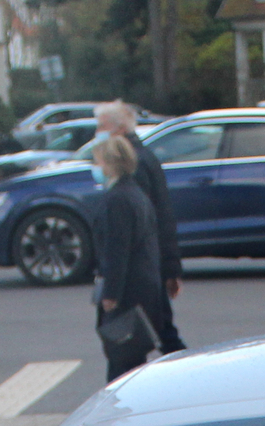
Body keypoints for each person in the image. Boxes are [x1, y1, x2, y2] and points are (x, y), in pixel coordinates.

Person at [95, 102, 184, 355]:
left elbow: (125, 238)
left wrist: (112, 290)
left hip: (137, 276)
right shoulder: (146, 157)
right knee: (161, 334)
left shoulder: (130, 171)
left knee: (146, 341)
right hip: (150, 270)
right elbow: (163, 217)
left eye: (102, 126)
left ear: (119, 130)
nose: (98, 132)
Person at [88, 133, 165, 381]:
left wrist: (111, 293)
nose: (95, 168)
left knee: (121, 363)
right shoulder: (135, 194)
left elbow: (116, 250)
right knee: (133, 361)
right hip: (143, 288)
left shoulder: (117, 200)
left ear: (110, 164)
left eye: (98, 162)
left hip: (126, 293)